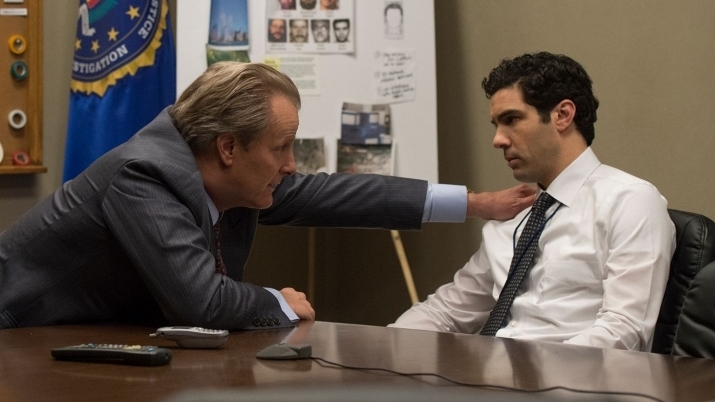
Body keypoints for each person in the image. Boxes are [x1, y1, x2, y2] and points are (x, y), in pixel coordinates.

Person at [0, 62, 535, 331]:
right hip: (18, 338)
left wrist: (474, 203)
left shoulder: (228, 177)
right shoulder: (143, 175)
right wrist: (277, 302)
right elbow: (201, 302)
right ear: (229, 147)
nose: (291, 165)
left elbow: (334, 194)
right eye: (281, 147)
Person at [391, 52, 676, 352]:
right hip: (493, 373)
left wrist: (532, 374)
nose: (498, 140)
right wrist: (381, 350)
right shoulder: (517, 215)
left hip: (569, 376)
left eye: (511, 120)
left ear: (562, 115)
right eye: (496, 125)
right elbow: (445, 311)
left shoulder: (628, 201)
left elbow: (623, 331)